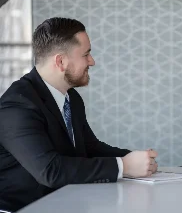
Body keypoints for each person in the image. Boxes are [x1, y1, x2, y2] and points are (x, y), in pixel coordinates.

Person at [0, 17, 158, 212]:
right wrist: (123, 166)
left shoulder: (71, 98)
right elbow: (50, 171)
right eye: (86, 54)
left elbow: (89, 148)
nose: (92, 61)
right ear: (61, 61)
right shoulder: (17, 106)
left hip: (65, 203)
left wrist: (136, 159)